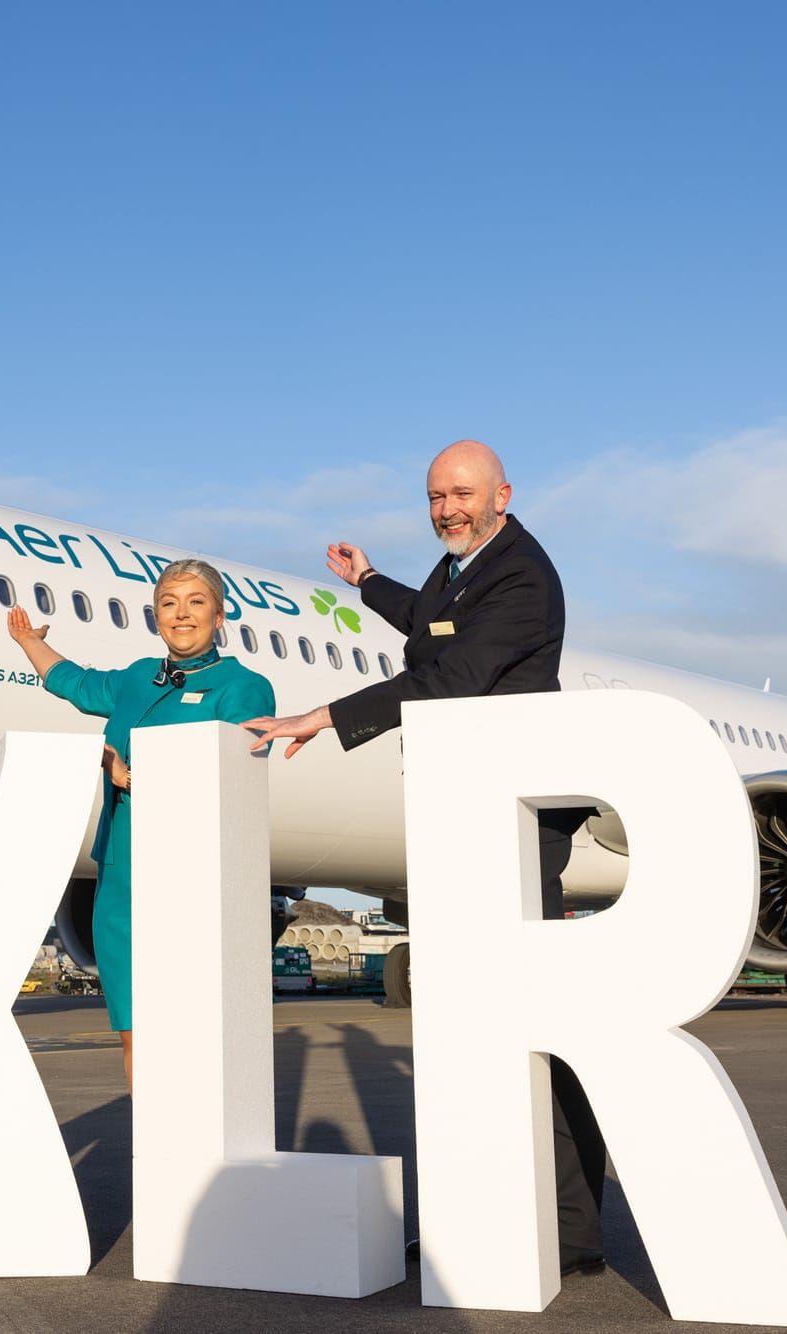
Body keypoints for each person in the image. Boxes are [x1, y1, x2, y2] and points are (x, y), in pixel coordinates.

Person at [241, 438, 607, 1276]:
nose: (447, 507)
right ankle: (482, 1210)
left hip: (514, 819)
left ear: (502, 494)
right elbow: (431, 622)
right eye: (436, 495)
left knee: (527, 1030)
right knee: (469, 1032)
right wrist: (367, 582)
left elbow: (453, 672)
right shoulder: (460, 572)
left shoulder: (523, 576)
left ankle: (571, 1226)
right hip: (460, 811)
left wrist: (322, 718)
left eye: (463, 493)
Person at [7, 558, 276, 1088]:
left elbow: (229, 780)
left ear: (219, 616)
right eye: (168, 605)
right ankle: (154, 1156)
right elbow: (76, 684)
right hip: (121, 874)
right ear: (155, 618)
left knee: (191, 1027)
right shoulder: (135, 678)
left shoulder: (244, 688)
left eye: (195, 603)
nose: (181, 615)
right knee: (135, 1035)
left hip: (189, 873)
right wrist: (28, 643)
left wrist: (127, 774)